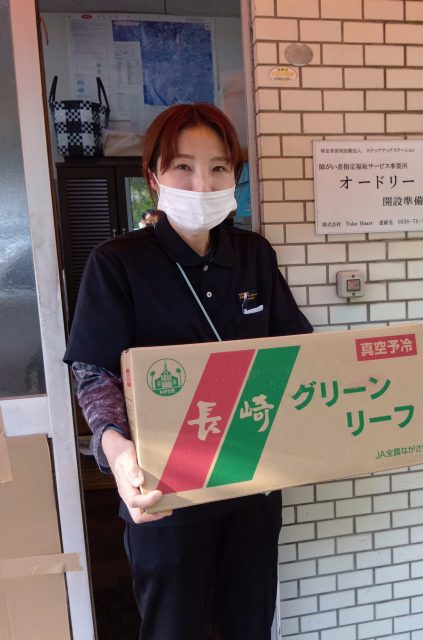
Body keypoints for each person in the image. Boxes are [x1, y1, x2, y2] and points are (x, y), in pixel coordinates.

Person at [64, 103, 312, 640]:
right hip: (164, 491)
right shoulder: (118, 262)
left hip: (252, 481)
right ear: (153, 176)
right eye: (183, 166)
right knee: (172, 628)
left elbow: (296, 352)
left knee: (248, 624)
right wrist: (116, 448)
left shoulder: (253, 255)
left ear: (235, 177)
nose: (202, 184)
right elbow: (95, 371)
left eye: (219, 168)